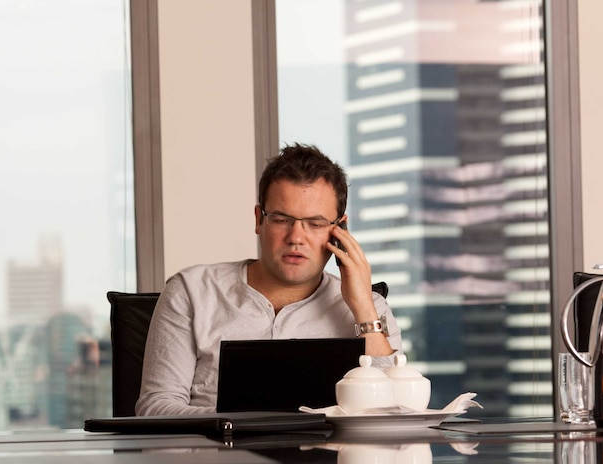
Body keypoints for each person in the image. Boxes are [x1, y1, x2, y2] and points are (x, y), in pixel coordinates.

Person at [135, 143, 403, 416]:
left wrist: (362, 308)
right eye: (282, 219)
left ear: (340, 230)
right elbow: (155, 408)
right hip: (216, 454)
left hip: (332, 457)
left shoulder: (371, 309)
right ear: (258, 220)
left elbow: (396, 410)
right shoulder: (191, 291)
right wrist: (245, 424)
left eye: (316, 223)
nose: (296, 237)